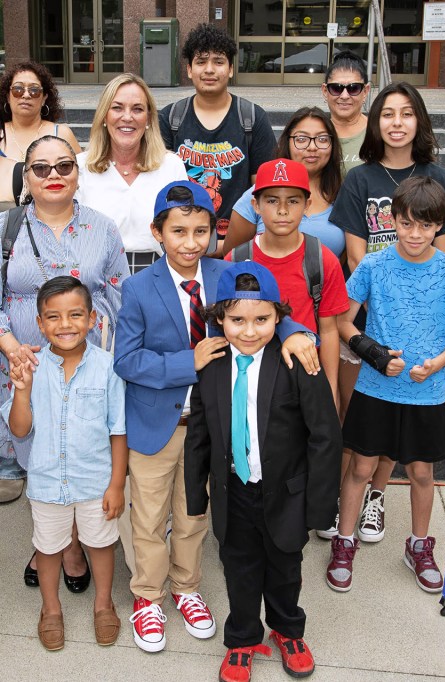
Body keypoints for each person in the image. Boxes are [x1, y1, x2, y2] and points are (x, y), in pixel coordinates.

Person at [113, 180, 320, 654]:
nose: (191, 243)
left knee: (194, 513)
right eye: (179, 231)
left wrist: (292, 331)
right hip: (158, 423)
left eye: (201, 231)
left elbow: (265, 305)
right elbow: (126, 360)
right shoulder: (139, 287)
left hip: (216, 427)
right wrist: (191, 360)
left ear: (214, 231)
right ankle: (148, 595)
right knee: (148, 515)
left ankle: (187, 587)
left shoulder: (225, 271)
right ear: (157, 232)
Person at [184, 261, 342, 681]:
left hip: (287, 493)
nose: (249, 331)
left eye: (262, 319)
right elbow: (199, 431)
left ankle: (288, 630)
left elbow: (324, 436)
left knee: (286, 569)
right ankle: (242, 638)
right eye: (236, 320)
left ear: (279, 316)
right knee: (238, 568)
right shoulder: (212, 364)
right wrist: (197, 496)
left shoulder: (297, 361)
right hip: (233, 490)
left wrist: (322, 506)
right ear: (219, 319)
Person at [328, 81, 445, 544]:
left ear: (419, 120)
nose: (396, 122)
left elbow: (441, 266)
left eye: (407, 113)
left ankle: (381, 502)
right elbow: (355, 261)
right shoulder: (362, 180)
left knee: (414, 456)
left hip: (423, 346)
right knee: (364, 434)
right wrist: (370, 340)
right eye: (387, 113)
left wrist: (430, 351)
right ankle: (350, 514)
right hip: (372, 323)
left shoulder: (441, 182)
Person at [327, 176, 445, 594]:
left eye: (425, 226)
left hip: (426, 392)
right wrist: (374, 353)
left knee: (422, 472)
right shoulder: (373, 265)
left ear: (439, 226)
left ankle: (418, 544)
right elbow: (342, 319)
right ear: (392, 219)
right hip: (376, 388)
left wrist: (437, 364)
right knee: (360, 465)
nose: (415, 234)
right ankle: (345, 539)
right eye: (407, 223)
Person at [0, 135, 129, 592]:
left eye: (63, 166)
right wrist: (11, 343)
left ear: (77, 174)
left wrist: (95, 344)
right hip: (22, 369)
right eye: (41, 168)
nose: (53, 175)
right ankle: (50, 537)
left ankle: (72, 543)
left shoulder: (102, 228)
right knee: (39, 449)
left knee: (83, 448)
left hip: (86, 368)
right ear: (26, 178)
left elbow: (119, 291)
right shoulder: (6, 228)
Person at [2, 276, 127, 651]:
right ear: (40, 324)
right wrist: (22, 392)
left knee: (101, 544)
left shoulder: (107, 367)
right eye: (53, 317)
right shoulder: (30, 367)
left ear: (92, 319)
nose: (65, 324)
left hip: (95, 481)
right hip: (45, 481)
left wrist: (117, 485)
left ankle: (103, 605)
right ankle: (50, 609)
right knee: (48, 546)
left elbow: (117, 431)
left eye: (75, 315)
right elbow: (19, 429)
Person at [226, 158, 349, 406]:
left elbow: (328, 330)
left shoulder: (322, 259)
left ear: (307, 205)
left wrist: (331, 391)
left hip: (305, 379)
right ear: (256, 205)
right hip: (250, 378)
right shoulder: (237, 260)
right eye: (272, 201)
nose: (282, 210)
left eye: (293, 201)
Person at [159, 23, 276, 245]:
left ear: (231, 69)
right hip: (182, 243)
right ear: (189, 70)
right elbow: (159, 188)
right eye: (201, 62)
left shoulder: (252, 118)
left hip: (238, 243)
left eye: (219, 62)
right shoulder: (170, 118)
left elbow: (263, 191)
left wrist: (230, 246)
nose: (209, 70)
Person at [78, 73, 188, 274]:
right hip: (95, 276)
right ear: (104, 116)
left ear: (148, 118)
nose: (127, 117)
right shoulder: (80, 167)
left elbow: (183, 229)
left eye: (137, 109)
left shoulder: (171, 166)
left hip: (158, 273)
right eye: (117, 108)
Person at [218, 107, 347, 260]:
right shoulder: (260, 192)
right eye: (301, 139)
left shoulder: (343, 194)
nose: (312, 147)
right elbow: (232, 257)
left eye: (322, 139)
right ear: (287, 143)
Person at [0, 61, 82, 161]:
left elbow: (81, 173)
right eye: (18, 89)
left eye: (34, 90)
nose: (26, 95)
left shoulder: (62, 134)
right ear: (8, 97)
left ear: (44, 98)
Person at [321, 51, 369, 175]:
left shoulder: (378, 131)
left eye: (354, 88)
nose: (344, 96)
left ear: (365, 91)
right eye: (336, 88)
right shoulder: (315, 132)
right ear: (325, 91)